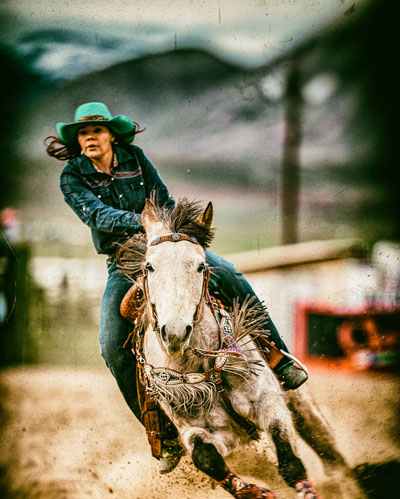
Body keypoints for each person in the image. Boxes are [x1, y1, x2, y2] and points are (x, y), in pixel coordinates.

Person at [45, 102, 308, 472]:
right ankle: (164, 437)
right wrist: (145, 222)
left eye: (96, 130)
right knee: (110, 344)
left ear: (111, 135)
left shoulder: (135, 157)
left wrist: (168, 230)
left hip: (165, 246)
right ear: (78, 141)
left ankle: (278, 358)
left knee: (229, 274)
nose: (89, 137)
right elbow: (95, 215)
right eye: (83, 133)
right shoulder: (71, 176)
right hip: (123, 262)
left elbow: (164, 199)